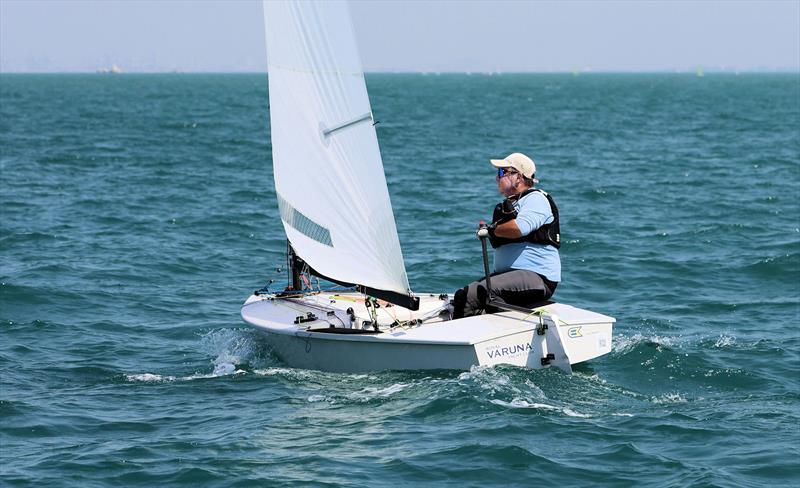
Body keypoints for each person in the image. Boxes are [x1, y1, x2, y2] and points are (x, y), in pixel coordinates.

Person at [452, 152, 561, 319]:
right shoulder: (511, 204)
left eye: (502, 172)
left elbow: (520, 228)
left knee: (476, 294)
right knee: (462, 295)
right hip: (513, 277)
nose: (497, 178)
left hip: (538, 278)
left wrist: (491, 231)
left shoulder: (535, 199)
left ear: (518, 177)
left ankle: (459, 340)